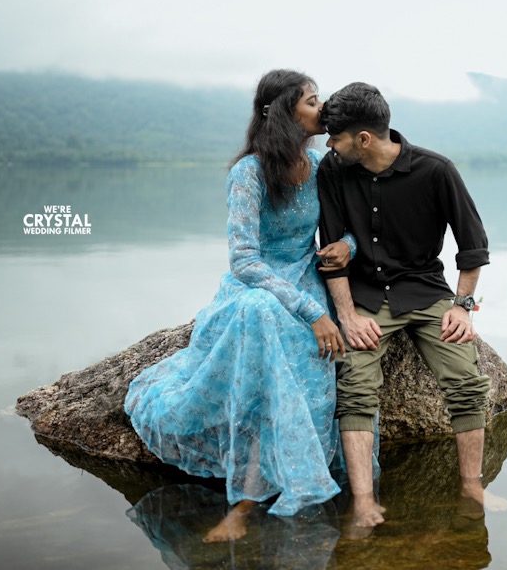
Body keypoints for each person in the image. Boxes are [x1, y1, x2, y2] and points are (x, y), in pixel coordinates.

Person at [125, 69, 353, 543]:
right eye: (312, 101)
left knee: (295, 356)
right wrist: (311, 313)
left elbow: (346, 227)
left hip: (307, 277)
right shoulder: (248, 172)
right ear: (288, 110)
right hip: (257, 288)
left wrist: (347, 244)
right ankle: (243, 503)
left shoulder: (323, 165)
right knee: (260, 319)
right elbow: (245, 259)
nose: (322, 107)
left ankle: (262, 495)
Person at [316, 81, 501, 532]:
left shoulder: (437, 171)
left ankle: (472, 487)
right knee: (356, 385)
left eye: (335, 137)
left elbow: (473, 246)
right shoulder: (333, 170)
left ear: (363, 139)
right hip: (364, 297)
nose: (328, 145)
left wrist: (463, 307)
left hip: (425, 292)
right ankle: (363, 501)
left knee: (466, 381)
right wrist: (347, 315)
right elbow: (331, 251)